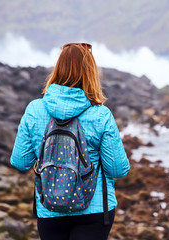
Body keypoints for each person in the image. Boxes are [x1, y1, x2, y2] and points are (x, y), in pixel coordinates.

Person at [10, 43, 130, 240]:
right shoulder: (100, 115)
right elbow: (118, 169)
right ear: (90, 73)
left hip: (49, 210)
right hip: (95, 211)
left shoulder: (35, 110)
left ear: (57, 69)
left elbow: (20, 162)